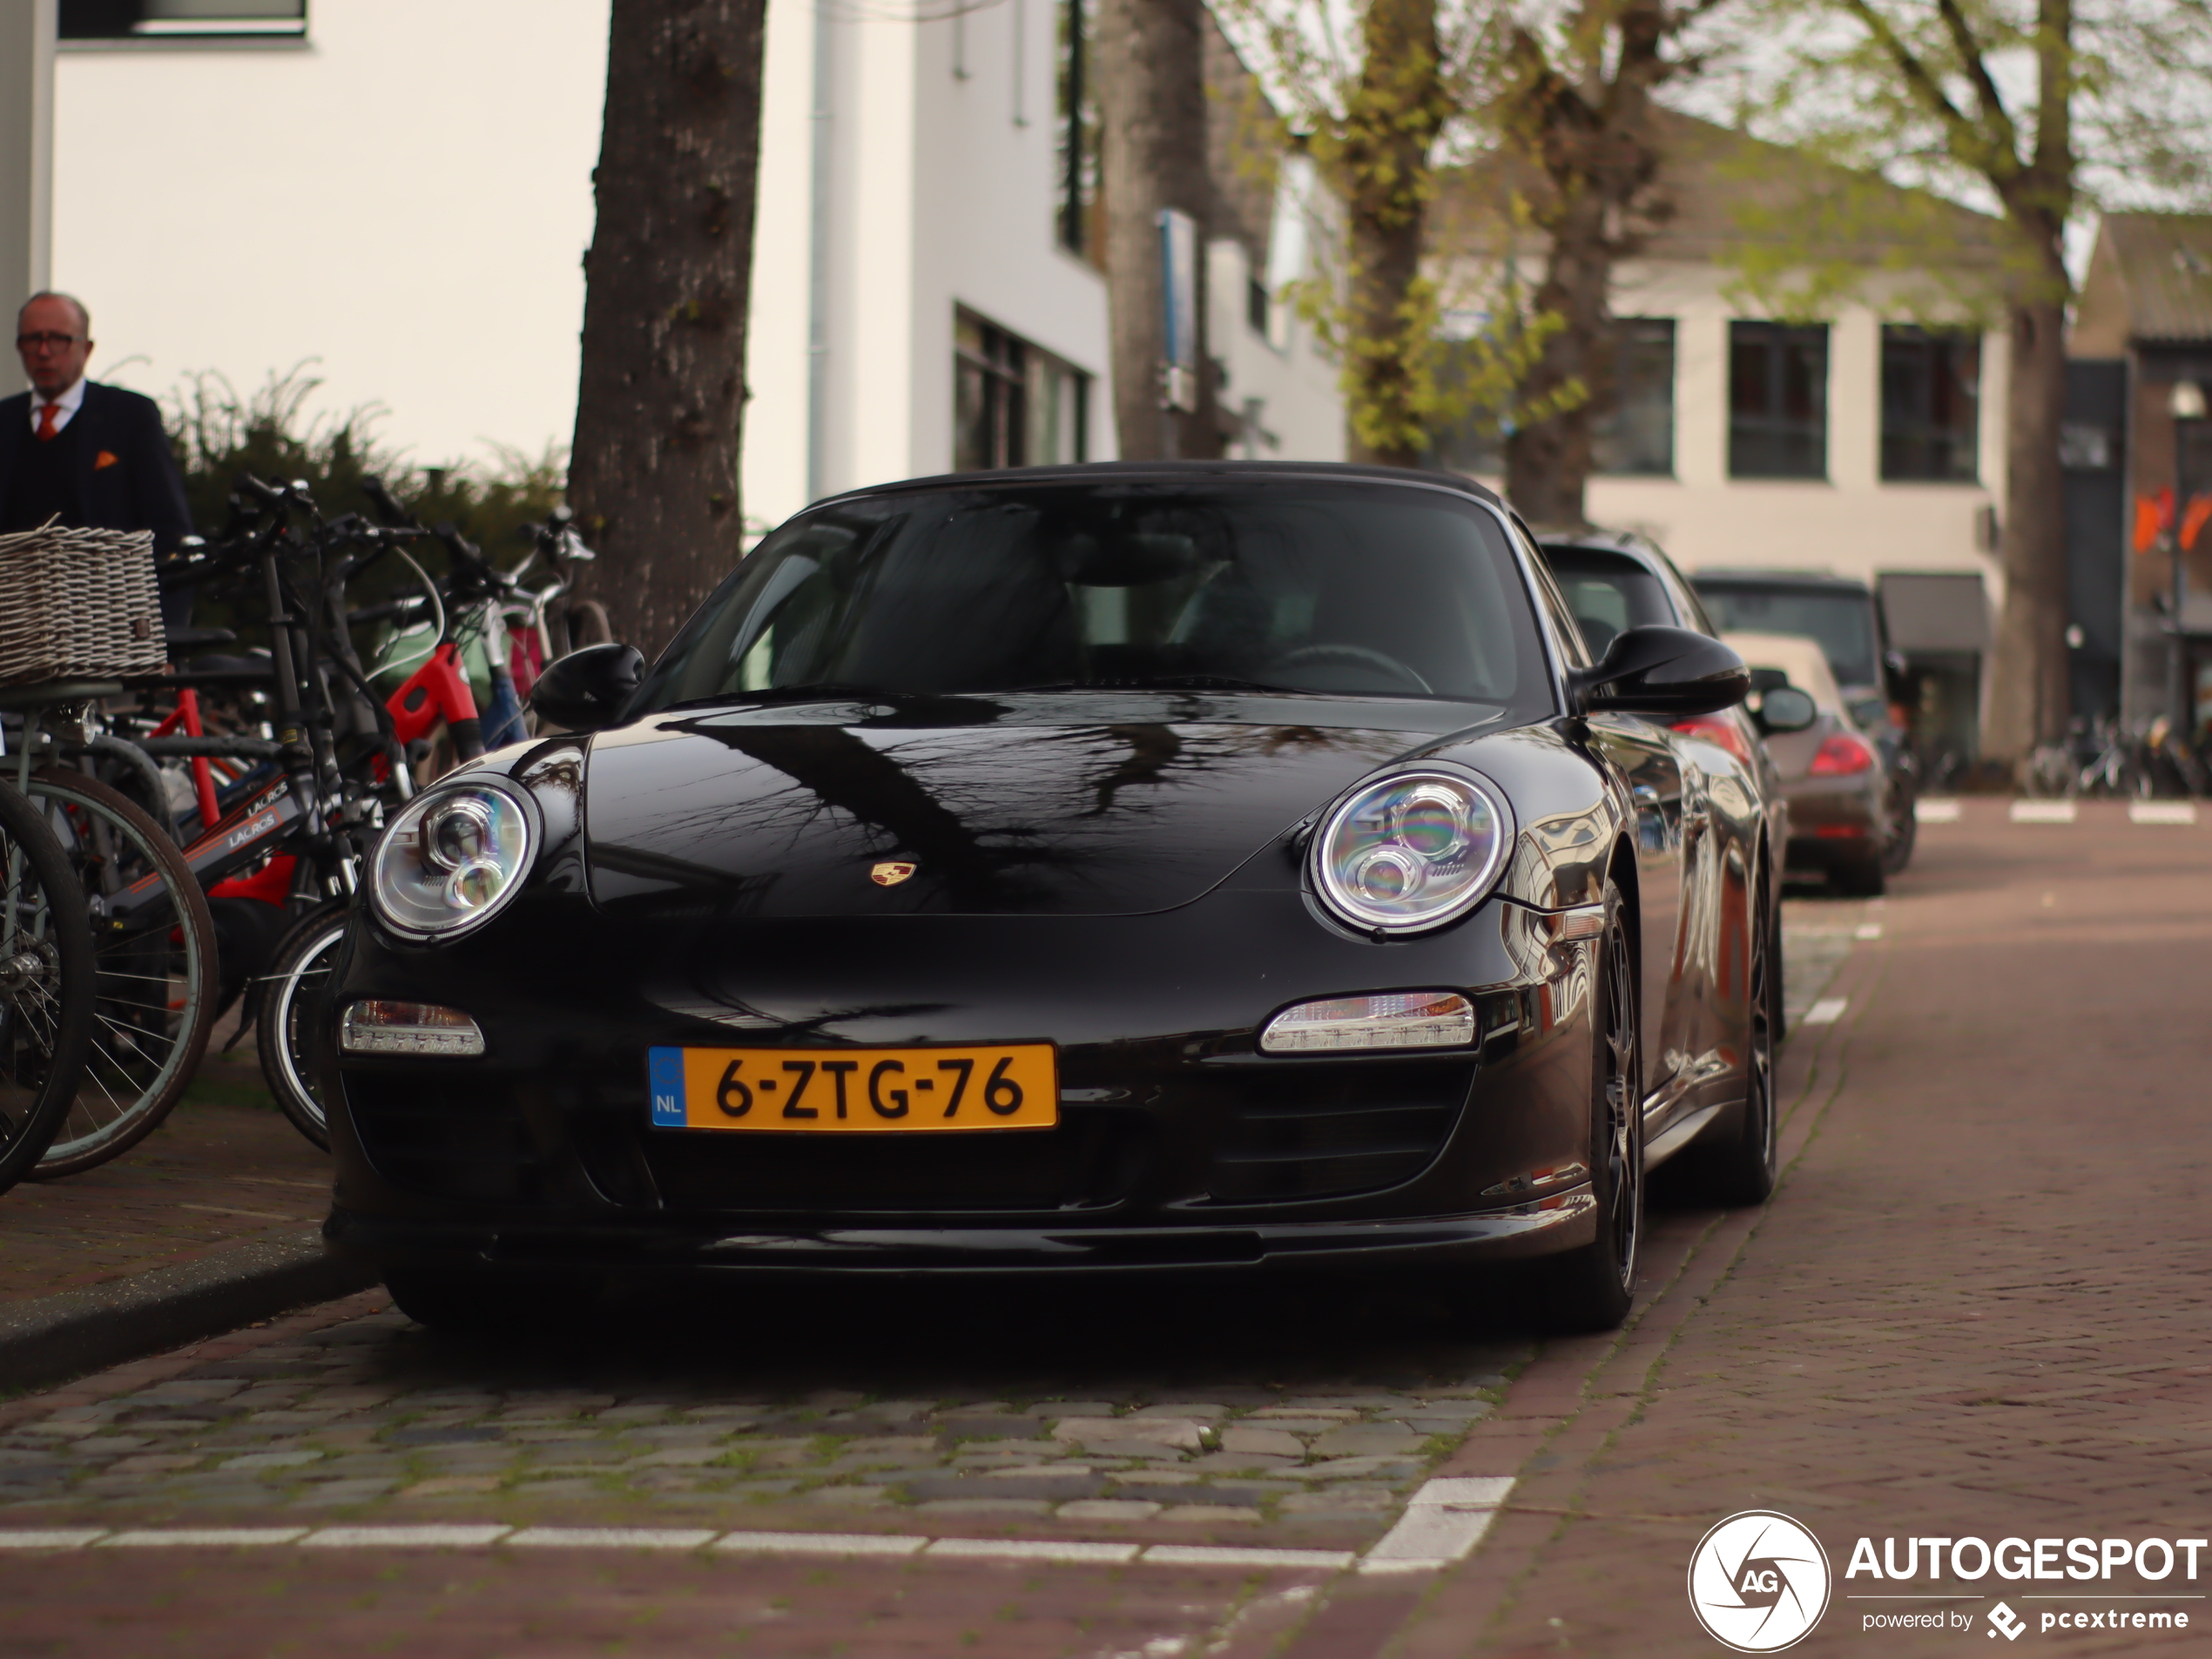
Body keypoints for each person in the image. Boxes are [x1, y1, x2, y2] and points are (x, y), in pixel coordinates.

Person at [1, 292, 194, 625]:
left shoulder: (129, 417)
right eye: (33, 339)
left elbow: (168, 536)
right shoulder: (5, 422)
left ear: (86, 348)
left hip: (108, 628)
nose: (44, 352)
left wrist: (168, 646)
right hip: (15, 631)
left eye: (58, 340)